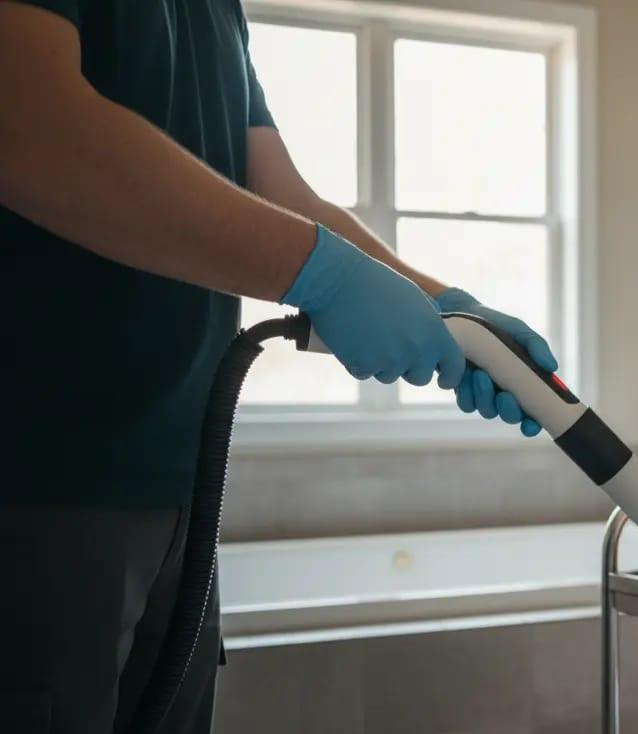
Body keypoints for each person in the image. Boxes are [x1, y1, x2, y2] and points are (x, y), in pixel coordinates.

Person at [0, 1, 555, 731]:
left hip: (181, 493)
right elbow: (31, 124)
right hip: (38, 484)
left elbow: (275, 191)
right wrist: (323, 278)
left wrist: (449, 310)